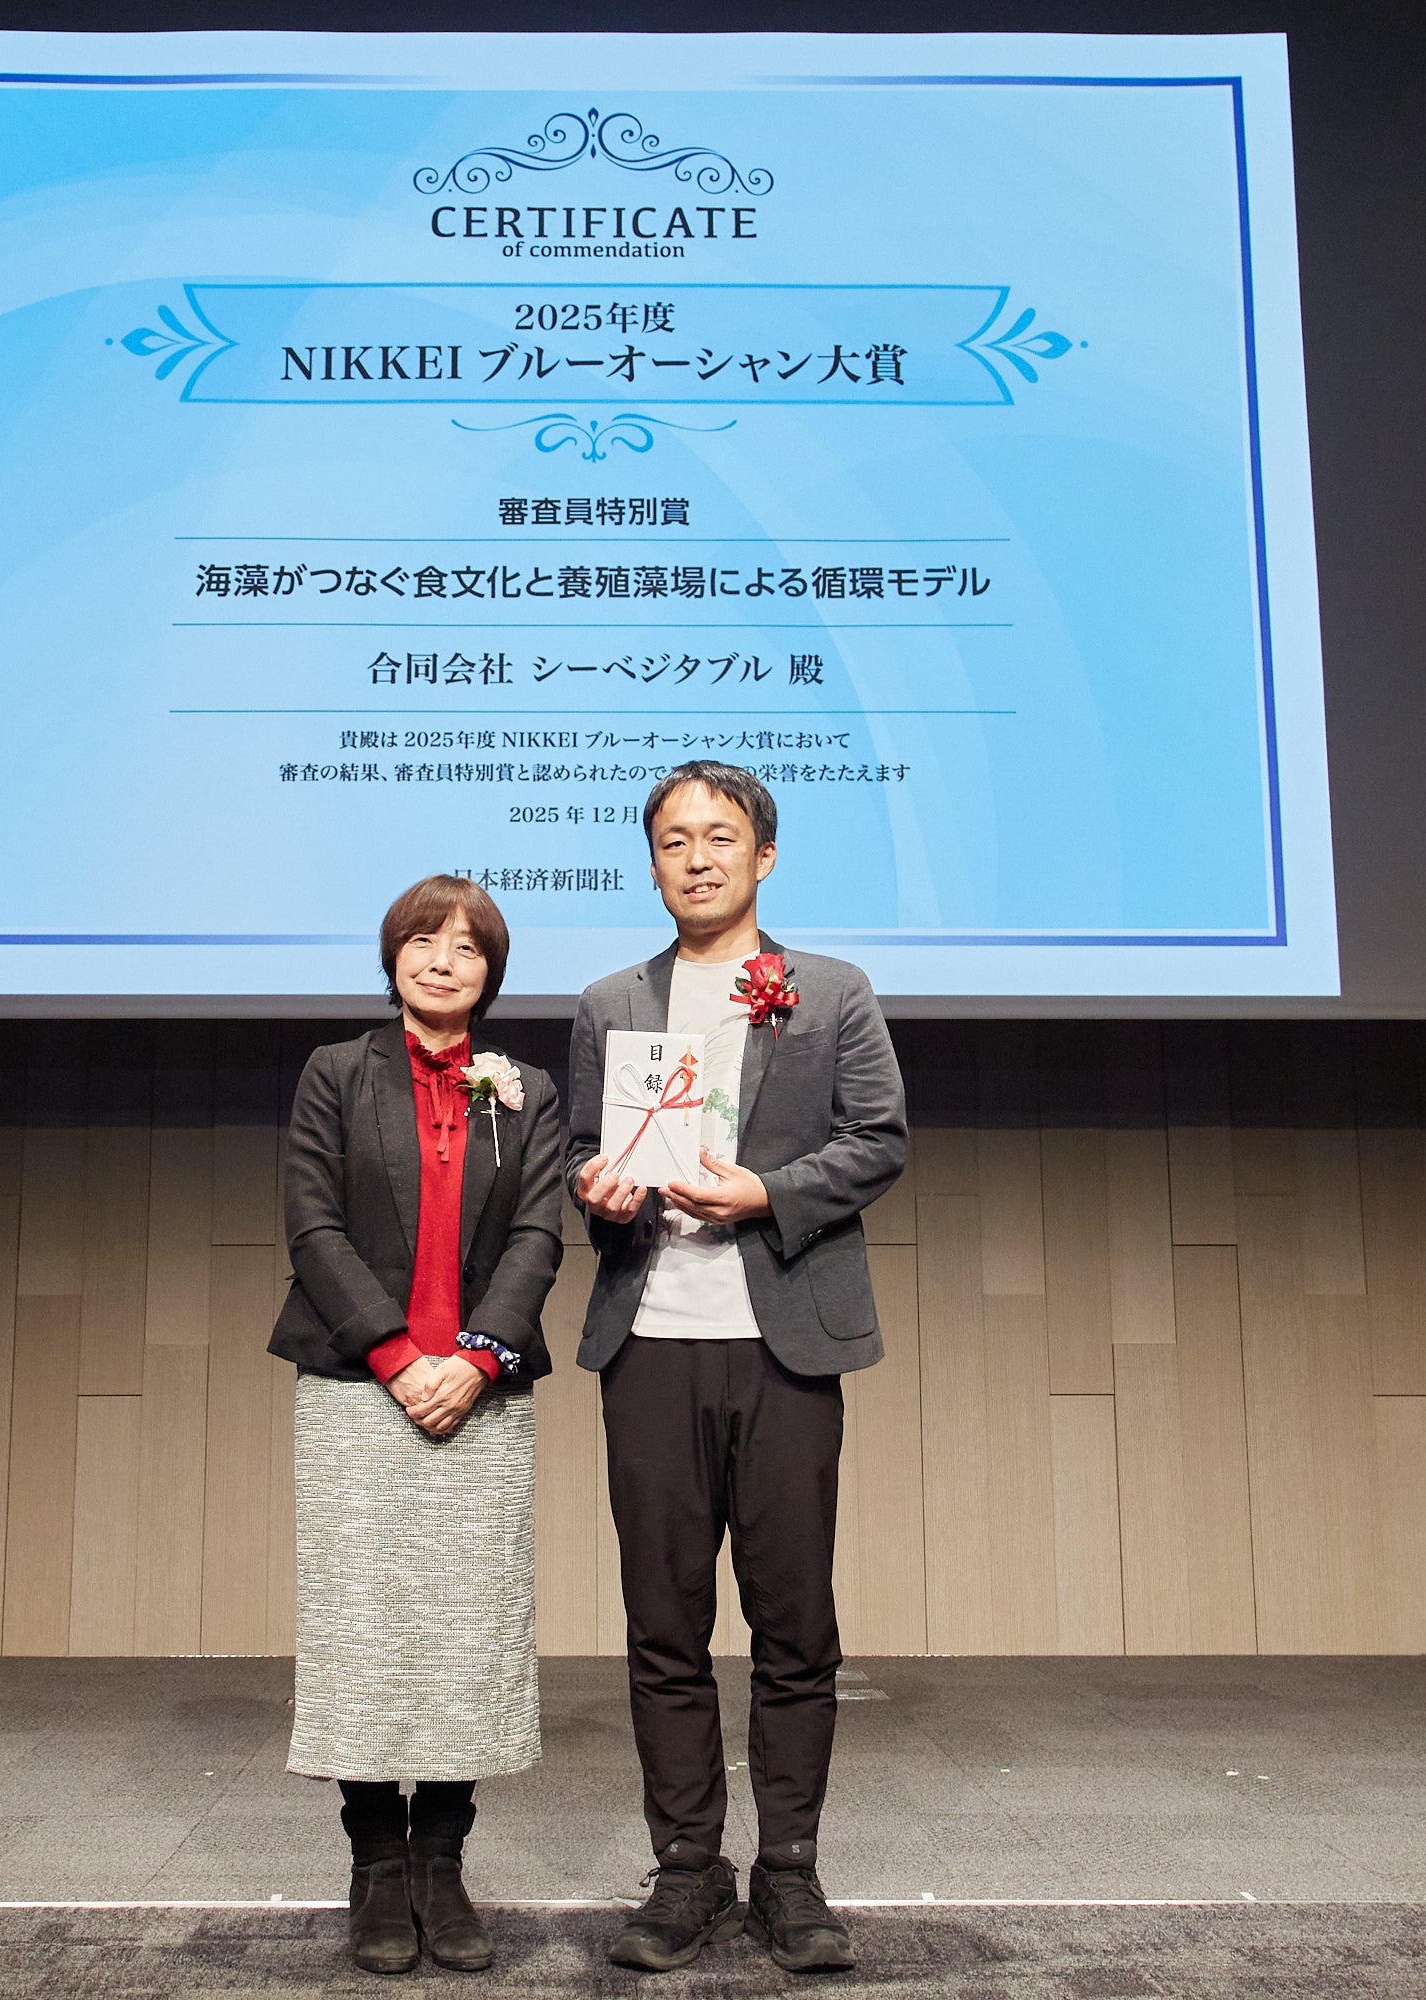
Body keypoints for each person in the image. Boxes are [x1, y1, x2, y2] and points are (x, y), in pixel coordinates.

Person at [566, 763, 908, 1975]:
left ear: (764, 856)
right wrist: (595, 1187)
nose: (697, 856)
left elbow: (878, 1138)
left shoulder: (832, 990)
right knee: (663, 1618)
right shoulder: (610, 1001)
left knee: (793, 1618)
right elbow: (583, 1150)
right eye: (674, 840)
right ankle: (686, 1868)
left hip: (784, 1339)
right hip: (649, 1340)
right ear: (652, 863)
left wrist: (768, 1190)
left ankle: (791, 1870)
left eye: (720, 837)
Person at [273, 875, 565, 1976]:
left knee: (465, 1633)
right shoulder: (337, 1071)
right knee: (365, 1630)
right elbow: (313, 1224)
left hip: (480, 1394)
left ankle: (442, 1861)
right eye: (423, 941)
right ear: (392, 955)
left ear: (492, 972)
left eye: (467, 947)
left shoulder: (527, 1088)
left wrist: (478, 1358)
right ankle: (374, 1862)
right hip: (361, 1388)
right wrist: (397, 1358)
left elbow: (540, 1231)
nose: (443, 960)